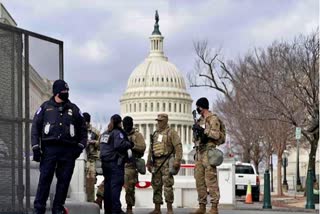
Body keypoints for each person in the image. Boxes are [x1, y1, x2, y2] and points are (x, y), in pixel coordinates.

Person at [31, 79, 87, 214]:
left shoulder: (74, 109)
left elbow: (83, 130)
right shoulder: (45, 108)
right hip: (49, 149)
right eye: (63, 92)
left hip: (68, 151)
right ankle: (39, 209)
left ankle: (58, 209)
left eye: (67, 91)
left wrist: (79, 148)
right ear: (56, 92)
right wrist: (36, 147)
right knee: (44, 180)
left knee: (64, 182)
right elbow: (35, 128)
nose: (66, 94)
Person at [191, 97, 223, 214]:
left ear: (201, 107)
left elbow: (216, 135)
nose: (197, 110)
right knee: (199, 181)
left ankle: (214, 207)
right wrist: (196, 132)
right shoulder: (200, 121)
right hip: (199, 152)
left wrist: (203, 131)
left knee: (211, 181)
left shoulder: (212, 119)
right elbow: (195, 139)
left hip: (209, 153)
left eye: (198, 107)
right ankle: (202, 206)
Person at [147, 113, 182, 214]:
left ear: (166, 121)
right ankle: (157, 209)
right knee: (156, 186)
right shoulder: (155, 134)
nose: (158, 123)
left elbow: (178, 147)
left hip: (166, 162)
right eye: (158, 121)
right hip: (156, 163)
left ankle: (169, 209)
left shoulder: (172, 133)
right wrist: (149, 161)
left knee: (168, 186)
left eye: (161, 121)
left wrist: (177, 160)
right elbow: (151, 148)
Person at [99, 114, 134, 214]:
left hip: (105, 164)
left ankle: (108, 210)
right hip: (115, 164)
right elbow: (119, 145)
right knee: (115, 186)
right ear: (119, 123)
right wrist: (129, 144)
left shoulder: (105, 133)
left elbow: (100, 146)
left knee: (108, 187)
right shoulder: (117, 132)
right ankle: (116, 210)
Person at [122, 116, 146, 214]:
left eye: (128, 124)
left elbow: (142, 147)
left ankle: (129, 208)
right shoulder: (120, 134)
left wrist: (132, 145)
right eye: (125, 124)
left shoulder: (137, 135)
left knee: (130, 188)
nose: (126, 126)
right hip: (119, 164)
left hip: (130, 164)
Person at [83, 112, 100, 202]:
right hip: (79, 159)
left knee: (90, 181)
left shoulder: (95, 132)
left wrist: (94, 142)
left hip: (91, 159)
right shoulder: (79, 130)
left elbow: (102, 144)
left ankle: (90, 201)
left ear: (88, 122)